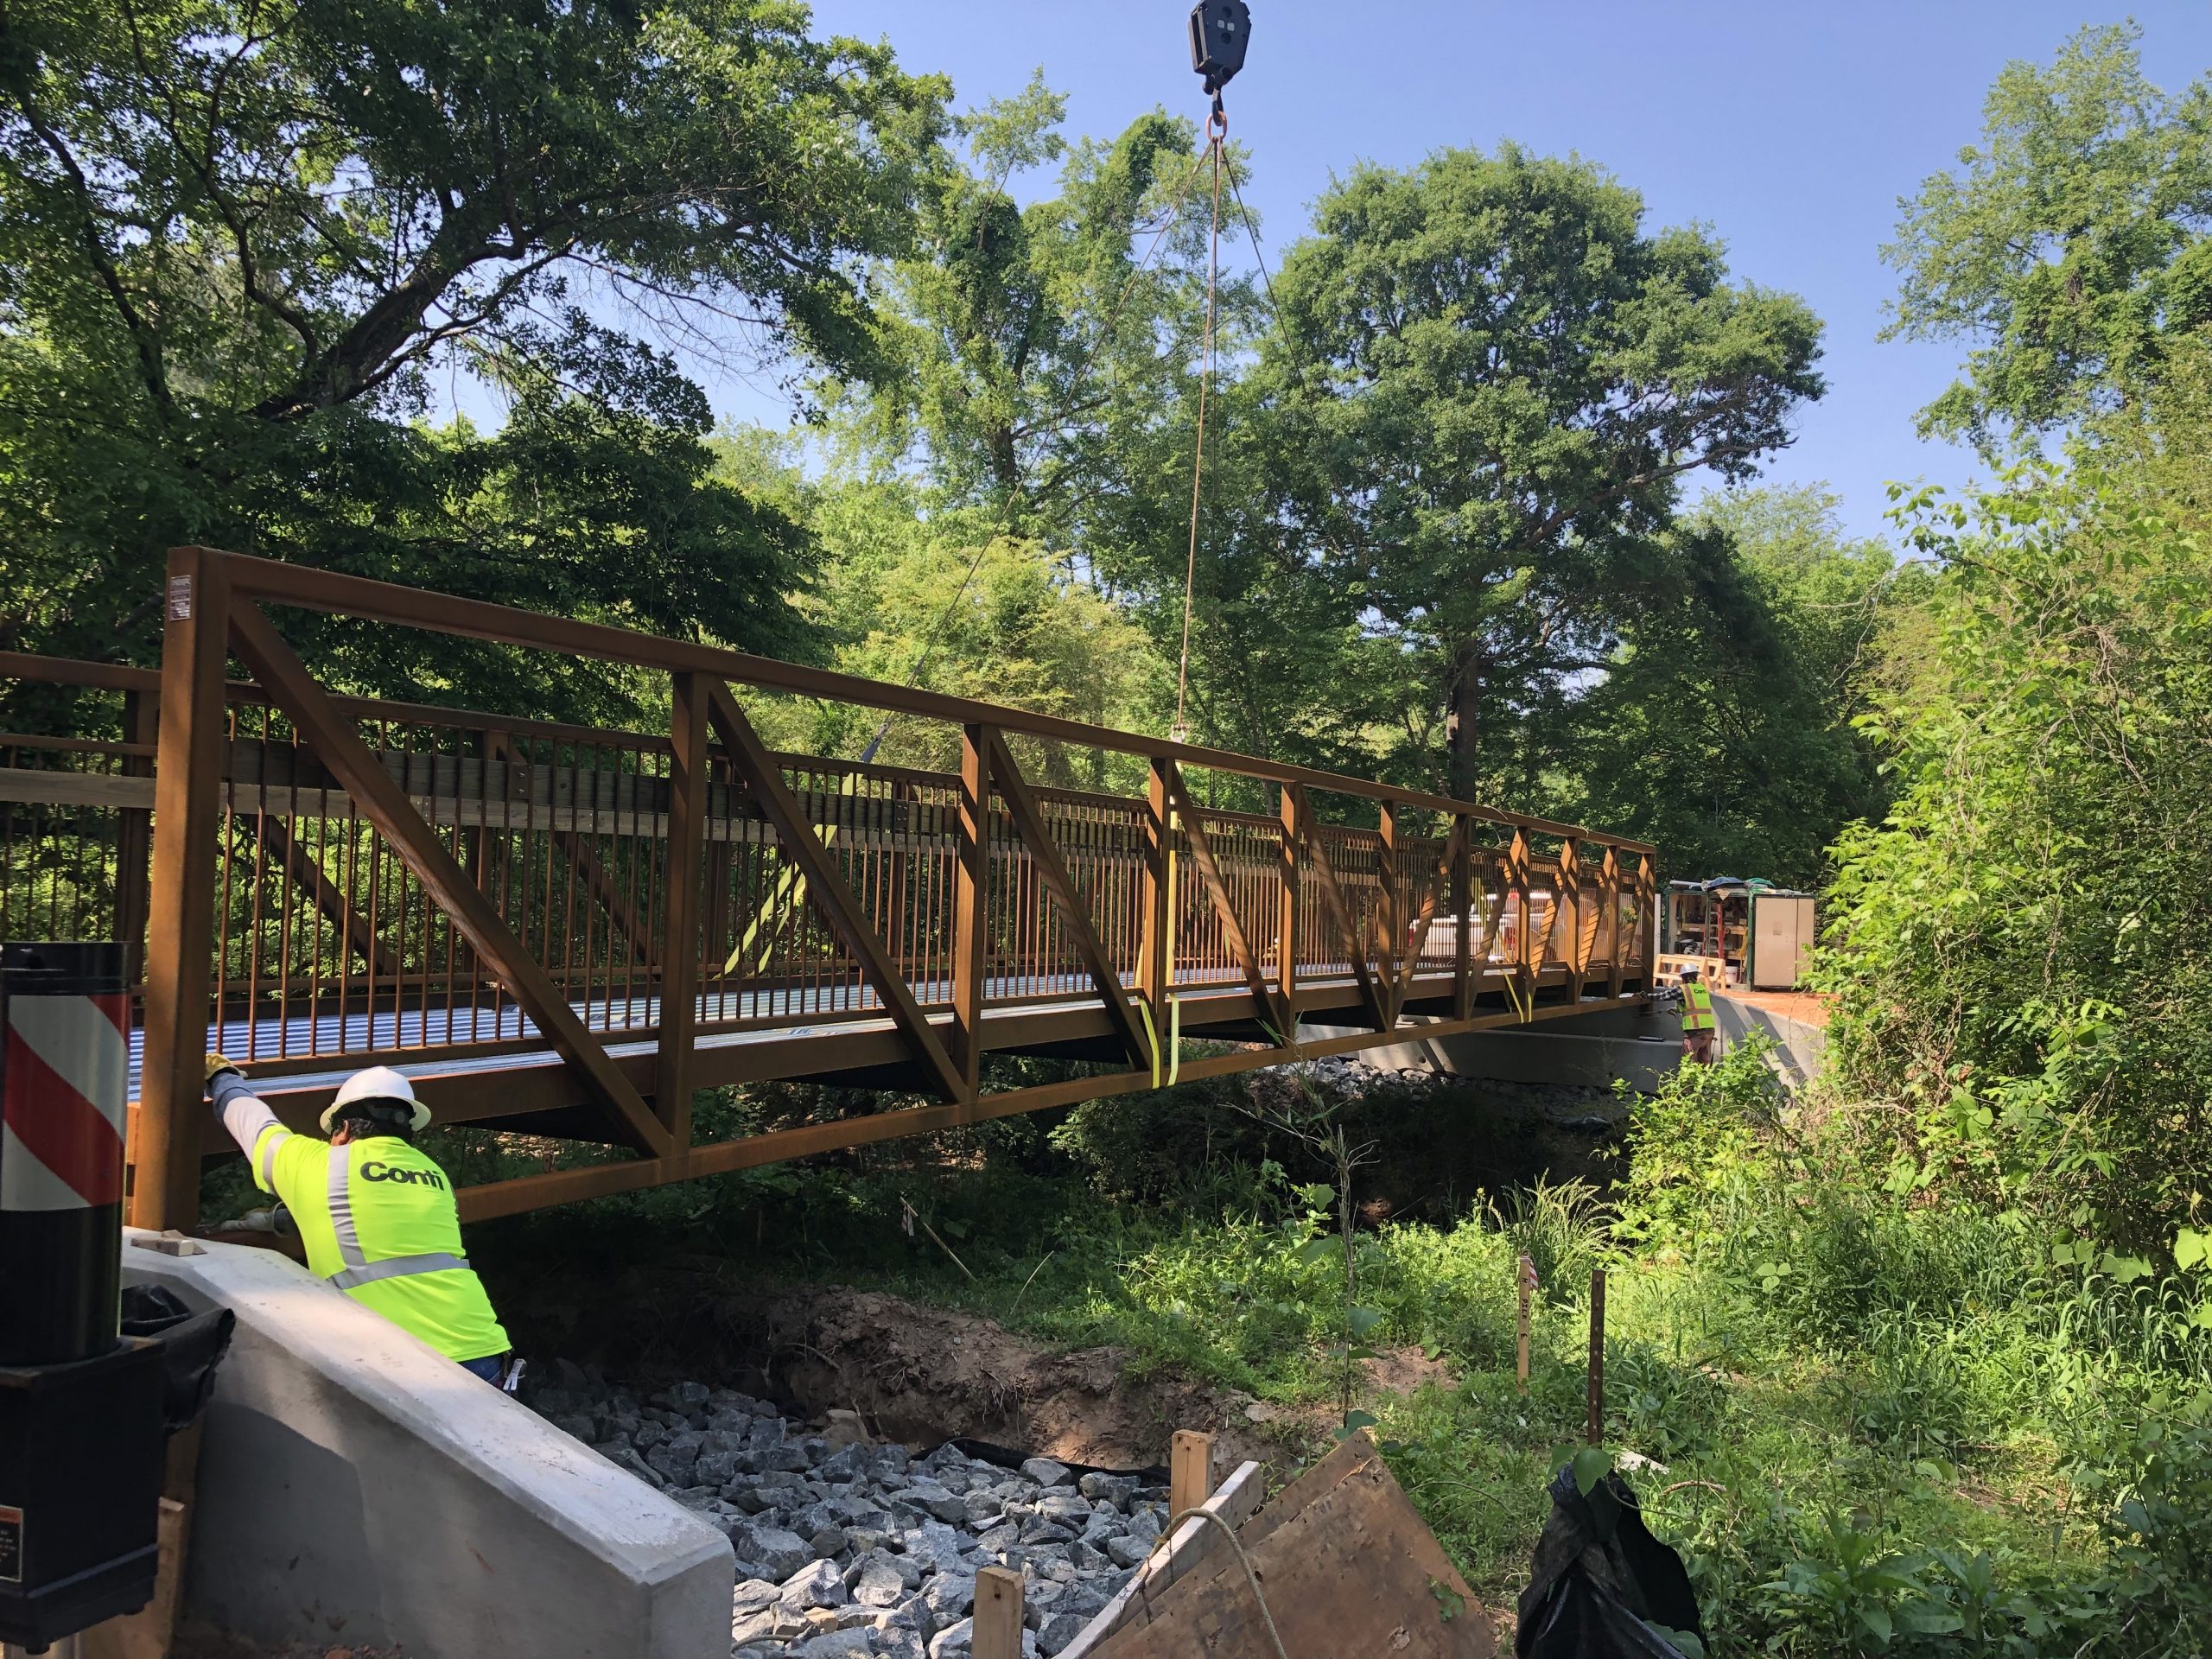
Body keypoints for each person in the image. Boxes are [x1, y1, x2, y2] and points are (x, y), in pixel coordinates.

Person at [203, 1055, 514, 1382]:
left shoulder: (318, 1163)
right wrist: (279, 1219)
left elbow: (249, 1118)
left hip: (398, 1364)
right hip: (481, 1350)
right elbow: (380, 1220)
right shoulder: (434, 1174)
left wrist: (222, 1076)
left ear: (345, 1130)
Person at [1677, 962, 1718, 1065]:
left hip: (1695, 1031)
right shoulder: (1703, 989)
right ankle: (1705, 1076)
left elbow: (1664, 996)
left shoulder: (1684, 989)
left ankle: (1691, 1077)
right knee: (1704, 1061)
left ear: (1684, 977)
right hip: (1709, 1031)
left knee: (1689, 1060)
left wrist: (1645, 995)